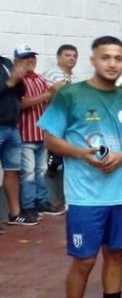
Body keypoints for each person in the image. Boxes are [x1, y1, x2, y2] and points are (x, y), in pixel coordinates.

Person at [38, 35, 122, 298]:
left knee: (115, 254)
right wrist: (80, 153)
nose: (112, 63)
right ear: (94, 60)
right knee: (84, 260)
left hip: (118, 195)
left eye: (118, 58)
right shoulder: (71, 96)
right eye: (106, 57)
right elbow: (49, 139)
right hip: (86, 197)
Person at [16, 45, 64, 218]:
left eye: (33, 57)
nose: (30, 60)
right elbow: (21, 104)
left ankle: (42, 202)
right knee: (28, 172)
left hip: (41, 134)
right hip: (25, 134)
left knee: (40, 171)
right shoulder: (18, 81)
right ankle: (28, 205)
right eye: (26, 57)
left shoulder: (40, 79)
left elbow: (48, 103)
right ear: (17, 61)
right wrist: (48, 94)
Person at [0, 50, 36, 227]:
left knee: (12, 171)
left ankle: (15, 214)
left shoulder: (6, 62)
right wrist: (10, 81)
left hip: (11, 127)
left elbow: (19, 92)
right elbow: (8, 85)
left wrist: (22, 76)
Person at [43, 44, 78, 208]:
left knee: (73, 160)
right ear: (58, 57)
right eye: (67, 55)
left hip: (73, 124)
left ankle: (70, 197)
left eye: (74, 56)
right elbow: (46, 97)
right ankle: (52, 198)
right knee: (56, 162)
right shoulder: (50, 74)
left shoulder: (76, 77)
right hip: (57, 123)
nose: (71, 58)